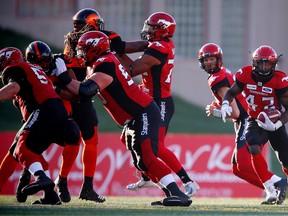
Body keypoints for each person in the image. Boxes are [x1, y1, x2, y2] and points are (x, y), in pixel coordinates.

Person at [53, 30, 192, 206]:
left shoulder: (105, 64)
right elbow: (79, 96)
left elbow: (84, 91)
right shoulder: (99, 63)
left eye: (83, 49)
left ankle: (179, 194)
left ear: (95, 49)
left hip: (143, 112)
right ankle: (173, 193)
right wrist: (56, 87)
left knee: (148, 157)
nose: (80, 54)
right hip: (135, 116)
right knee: (141, 162)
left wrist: (63, 76)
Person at [51, 8, 148, 203]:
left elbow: (68, 64)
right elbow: (125, 47)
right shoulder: (100, 38)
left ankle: (66, 182)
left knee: (79, 138)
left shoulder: (71, 40)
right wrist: (153, 44)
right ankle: (72, 184)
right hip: (81, 87)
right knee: (85, 139)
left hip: (75, 86)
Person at [117, 12, 199, 197]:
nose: (148, 31)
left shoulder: (160, 48)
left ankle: (187, 181)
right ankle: (147, 175)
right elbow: (138, 46)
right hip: (148, 100)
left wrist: (114, 53)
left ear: (162, 30)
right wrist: (119, 47)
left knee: (156, 147)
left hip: (159, 102)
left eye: (152, 28)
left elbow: (131, 70)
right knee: (126, 138)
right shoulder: (160, 44)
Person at [199, 43, 287, 204]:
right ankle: (273, 187)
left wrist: (218, 112)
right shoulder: (233, 73)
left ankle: (276, 183)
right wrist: (222, 104)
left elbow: (236, 112)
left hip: (252, 117)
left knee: (248, 164)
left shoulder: (218, 78)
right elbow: (232, 96)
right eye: (206, 60)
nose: (209, 63)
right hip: (250, 117)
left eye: (212, 59)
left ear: (219, 59)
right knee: (238, 169)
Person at [0, 47, 81, 205]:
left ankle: (41, 177)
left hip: (44, 110)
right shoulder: (35, 70)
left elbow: (14, 88)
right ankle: (50, 195)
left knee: (21, 148)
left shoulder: (16, 69)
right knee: (22, 150)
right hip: (59, 112)